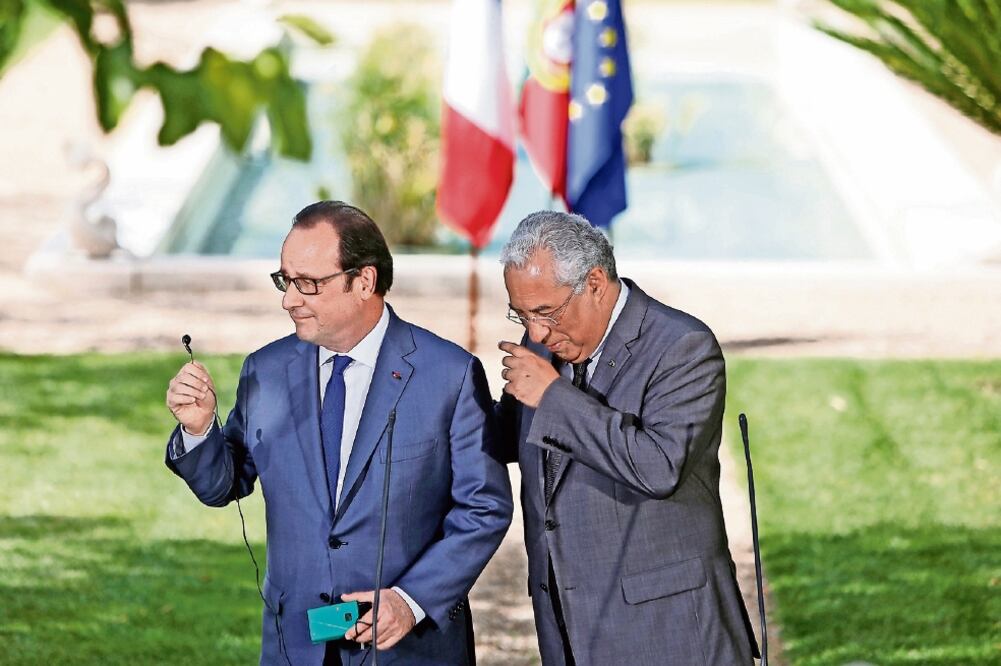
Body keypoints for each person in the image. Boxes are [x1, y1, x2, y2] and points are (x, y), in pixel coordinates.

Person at [165, 201, 513, 666]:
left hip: (407, 649)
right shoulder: (265, 370)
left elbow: (484, 507)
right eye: (284, 281)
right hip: (297, 644)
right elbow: (224, 483)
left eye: (308, 283)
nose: (290, 299)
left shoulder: (448, 374)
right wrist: (198, 428)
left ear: (364, 281)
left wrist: (409, 602)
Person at [496, 210, 759, 665]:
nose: (535, 332)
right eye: (520, 314)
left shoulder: (683, 346)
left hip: (670, 636)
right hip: (569, 633)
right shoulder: (544, 344)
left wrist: (553, 397)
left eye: (545, 313)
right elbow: (506, 441)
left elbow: (659, 467)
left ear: (595, 283)